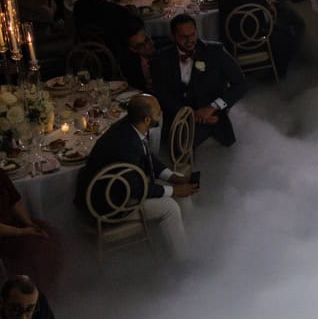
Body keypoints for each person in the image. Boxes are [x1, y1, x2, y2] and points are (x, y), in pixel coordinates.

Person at [74, 95, 198, 260]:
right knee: (170, 207)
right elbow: (136, 188)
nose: (161, 114)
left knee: (183, 191)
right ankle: (184, 261)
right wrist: (174, 190)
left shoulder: (130, 126)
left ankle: (191, 240)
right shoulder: (125, 144)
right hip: (109, 205)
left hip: (120, 189)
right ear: (147, 119)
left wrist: (173, 178)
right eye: (158, 112)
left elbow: (148, 157)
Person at [149, 14, 248, 149]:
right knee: (172, 146)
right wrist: (190, 115)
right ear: (173, 36)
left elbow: (240, 84)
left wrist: (213, 107)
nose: (190, 40)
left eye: (193, 34)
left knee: (184, 144)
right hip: (179, 114)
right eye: (184, 37)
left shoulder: (215, 52)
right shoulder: (160, 58)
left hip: (211, 111)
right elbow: (161, 94)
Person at [0, 170, 63, 290]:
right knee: (37, 248)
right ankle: (31, 290)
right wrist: (22, 231)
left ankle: (51, 282)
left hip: (13, 224)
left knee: (51, 233)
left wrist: (30, 224)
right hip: (4, 235)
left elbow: (15, 201)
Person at [121, 23, 156, 92]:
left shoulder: (166, 49)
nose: (147, 46)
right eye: (140, 46)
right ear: (133, 49)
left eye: (147, 40)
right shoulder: (129, 64)